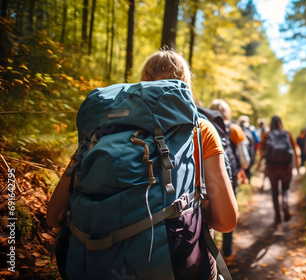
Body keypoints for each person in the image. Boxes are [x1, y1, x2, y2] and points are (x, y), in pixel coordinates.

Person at [46, 49, 238, 279]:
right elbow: (226, 221)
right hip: (172, 264)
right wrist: (196, 209)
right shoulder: (201, 129)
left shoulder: (102, 131)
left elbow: (53, 215)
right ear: (185, 85)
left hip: (93, 264)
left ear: (143, 81)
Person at [209, 99, 250, 258]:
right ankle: (227, 250)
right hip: (228, 175)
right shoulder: (234, 128)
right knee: (228, 211)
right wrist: (243, 167)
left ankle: (208, 251)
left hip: (207, 177)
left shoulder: (204, 124)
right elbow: (244, 159)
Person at [259, 116, 299, 224]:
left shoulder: (266, 135)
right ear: (281, 123)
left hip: (271, 167)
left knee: (275, 192)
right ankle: (285, 203)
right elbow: (295, 150)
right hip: (286, 166)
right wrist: (296, 166)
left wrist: (263, 161)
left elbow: (261, 150)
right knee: (285, 189)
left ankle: (277, 217)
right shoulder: (287, 133)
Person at [238, 115, 259, 184]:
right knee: (248, 171)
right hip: (250, 153)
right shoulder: (251, 130)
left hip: (238, 156)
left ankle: (242, 185)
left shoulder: (237, 129)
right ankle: (247, 184)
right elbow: (257, 141)